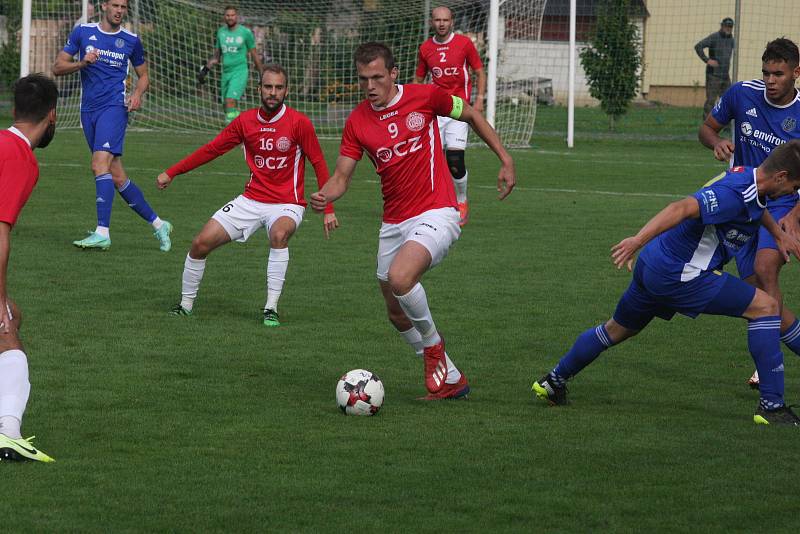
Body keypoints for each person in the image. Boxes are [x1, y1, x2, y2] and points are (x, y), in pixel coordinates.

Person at [533, 141, 800, 426]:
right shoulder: (735, 193)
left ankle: (553, 381)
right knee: (766, 306)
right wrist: (637, 239)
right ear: (781, 176)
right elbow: (682, 207)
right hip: (681, 274)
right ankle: (771, 407)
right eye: (795, 186)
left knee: (615, 330)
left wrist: (779, 235)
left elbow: (757, 208)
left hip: (655, 263)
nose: (794, 193)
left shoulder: (748, 176)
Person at [310, 42, 515, 399]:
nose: (370, 86)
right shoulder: (358, 120)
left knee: (401, 277)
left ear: (393, 73)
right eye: (363, 79)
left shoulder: (426, 97)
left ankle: (434, 347)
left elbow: (470, 114)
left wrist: (505, 158)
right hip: (393, 222)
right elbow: (342, 176)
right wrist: (325, 195)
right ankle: (450, 378)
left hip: (438, 210)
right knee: (396, 312)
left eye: (377, 77)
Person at [158, 65, 338, 326]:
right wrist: (172, 172)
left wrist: (328, 207)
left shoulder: (299, 123)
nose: (273, 93)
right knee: (200, 243)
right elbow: (212, 150)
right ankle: (185, 306)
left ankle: (270, 308)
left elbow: (319, 163)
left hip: (287, 203)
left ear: (286, 91)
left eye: (278, 88)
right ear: (259, 89)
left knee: (278, 235)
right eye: (268, 87)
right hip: (251, 200)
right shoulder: (245, 121)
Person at [699, 38, 800, 389]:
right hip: (743, 202)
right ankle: (772, 348)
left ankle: (768, 365)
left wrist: (795, 216)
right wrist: (717, 143)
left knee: (765, 270)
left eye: (779, 73)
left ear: (795, 73)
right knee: (755, 287)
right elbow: (706, 128)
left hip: (784, 202)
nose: (770, 80)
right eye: (766, 72)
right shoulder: (742, 93)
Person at [52, 0, 172, 252]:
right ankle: (159, 224)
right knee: (116, 175)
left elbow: (144, 75)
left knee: (98, 164)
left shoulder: (131, 40)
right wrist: (82, 63)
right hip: (88, 112)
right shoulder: (83, 32)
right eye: (115, 5)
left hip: (115, 108)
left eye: (123, 6)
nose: (119, 10)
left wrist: (137, 94)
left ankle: (102, 232)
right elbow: (58, 67)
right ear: (103, 5)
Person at [0, 74, 59, 462]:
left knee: (11, 318)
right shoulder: (20, 157)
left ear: (13, 109)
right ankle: (8, 432)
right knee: (5, 324)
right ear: (52, 116)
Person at [413, 5, 485, 226]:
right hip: (435, 111)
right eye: (437, 20)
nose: (441, 23)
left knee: (454, 160)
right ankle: (429, 204)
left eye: (445, 20)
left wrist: (480, 99)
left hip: (459, 110)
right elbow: (419, 79)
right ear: (431, 22)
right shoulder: (425, 48)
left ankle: (462, 200)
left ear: (452, 21)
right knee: (427, 160)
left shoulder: (464, 44)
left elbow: (479, 72)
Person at [199, 5, 264, 124]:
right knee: (226, 106)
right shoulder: (221, 32)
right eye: (227, 15)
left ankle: (230, 135)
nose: (230, 17)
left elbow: (254, 54)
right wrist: (205, 70)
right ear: (224, 17)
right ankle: (246, 121)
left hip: (240, 71)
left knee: (230, 100)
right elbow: (216, 56)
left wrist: (262, 74)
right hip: (226, 73)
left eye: (232, 15)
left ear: (237, 16)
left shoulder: (245, 33)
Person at [695, 17, 735, 119]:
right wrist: (707, 60)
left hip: (725, 75)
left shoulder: (731, 40)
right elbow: (698, 46)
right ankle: (706, 125)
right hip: (713, 75)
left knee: (728, 100)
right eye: (726, 26)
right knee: (711, 101)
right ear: (722, 26)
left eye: (730, 27)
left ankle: (726, 126)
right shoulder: (714, 37)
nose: (728, 28)